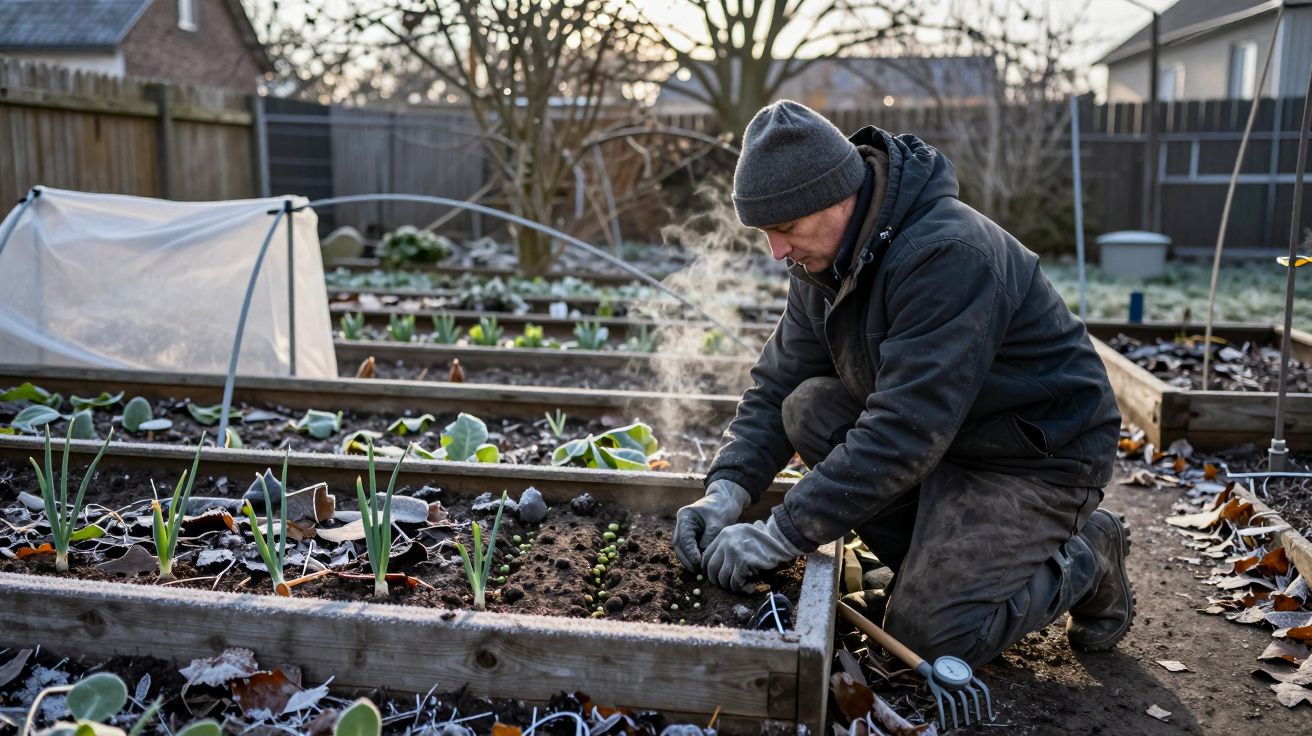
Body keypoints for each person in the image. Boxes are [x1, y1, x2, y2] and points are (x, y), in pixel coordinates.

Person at [672, 100, 1132, 666]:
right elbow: (775, 384)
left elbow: (905, 431)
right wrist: (727, 490)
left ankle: (1088, 554)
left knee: (929, 637)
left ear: (836, 195)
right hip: (950, 438)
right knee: (807, 406)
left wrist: (780, 533)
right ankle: (944, 564)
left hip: (1036, 454)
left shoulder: (946, 254)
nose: (777, 251)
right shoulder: (821, 263)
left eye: (785, 228)